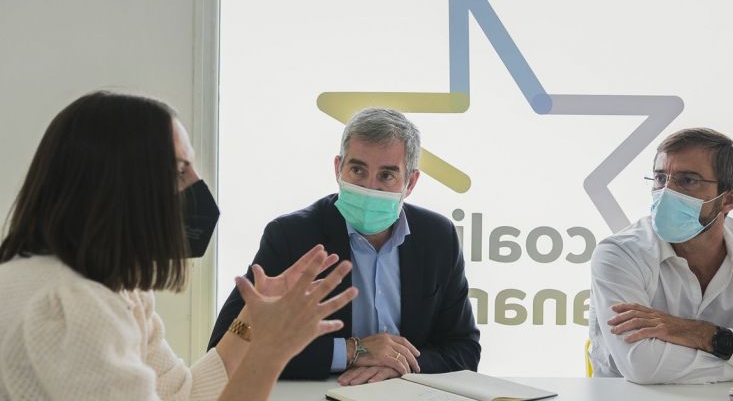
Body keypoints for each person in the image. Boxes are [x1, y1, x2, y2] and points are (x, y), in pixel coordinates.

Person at [0, 91, 357, 401]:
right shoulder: (74, 305)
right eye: (179, 171)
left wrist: (252, 319)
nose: (198, 186)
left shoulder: (121, 291)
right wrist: (271, 352)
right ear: (119, 186)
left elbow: (183, 394)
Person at [209, 108, 480, 385]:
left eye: (386, 176)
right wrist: (351, 351)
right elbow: (224, 346)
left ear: (410, 182)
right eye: (358, 170)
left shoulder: (438, 237)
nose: (369, 187)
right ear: (338, 168)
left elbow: (465, 349)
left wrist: (400, 365)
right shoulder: (291, 236)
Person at [589, 128, 733, 384]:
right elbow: (643, 365)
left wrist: (703, 333)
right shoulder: (619, 254)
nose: (666, 191)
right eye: (660, 178)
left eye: (688, 181)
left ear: (729, 199)